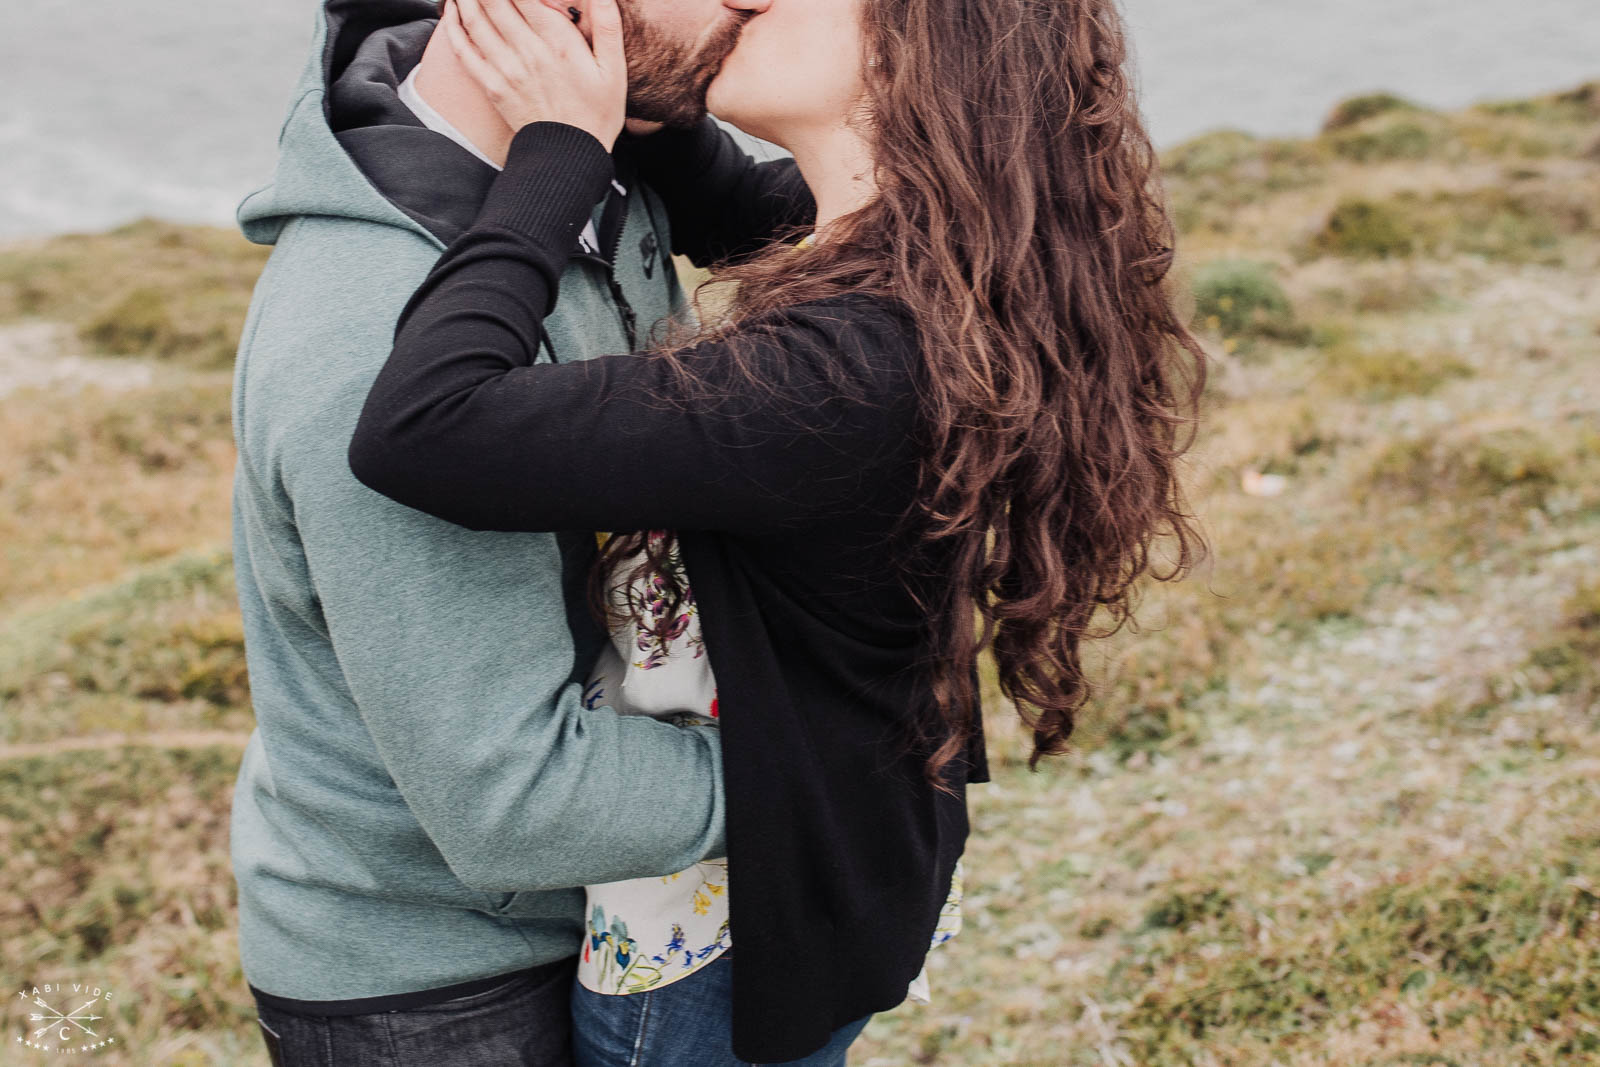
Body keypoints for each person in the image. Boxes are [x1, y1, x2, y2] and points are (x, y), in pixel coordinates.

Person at [349, 0, 1209, 1062]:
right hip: (850, 847)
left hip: (717, 952)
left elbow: (423, 428)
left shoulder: (850, 370)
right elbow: (726, 206)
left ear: (917, 41)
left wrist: (556, 155)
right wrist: (647, 87)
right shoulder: (939, 239)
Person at [227, 1, 780, 1064]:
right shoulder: (370, 331)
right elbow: (517, 803)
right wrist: (853, 772)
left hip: (607, 903)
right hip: (440, 984)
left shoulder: (595, 163)